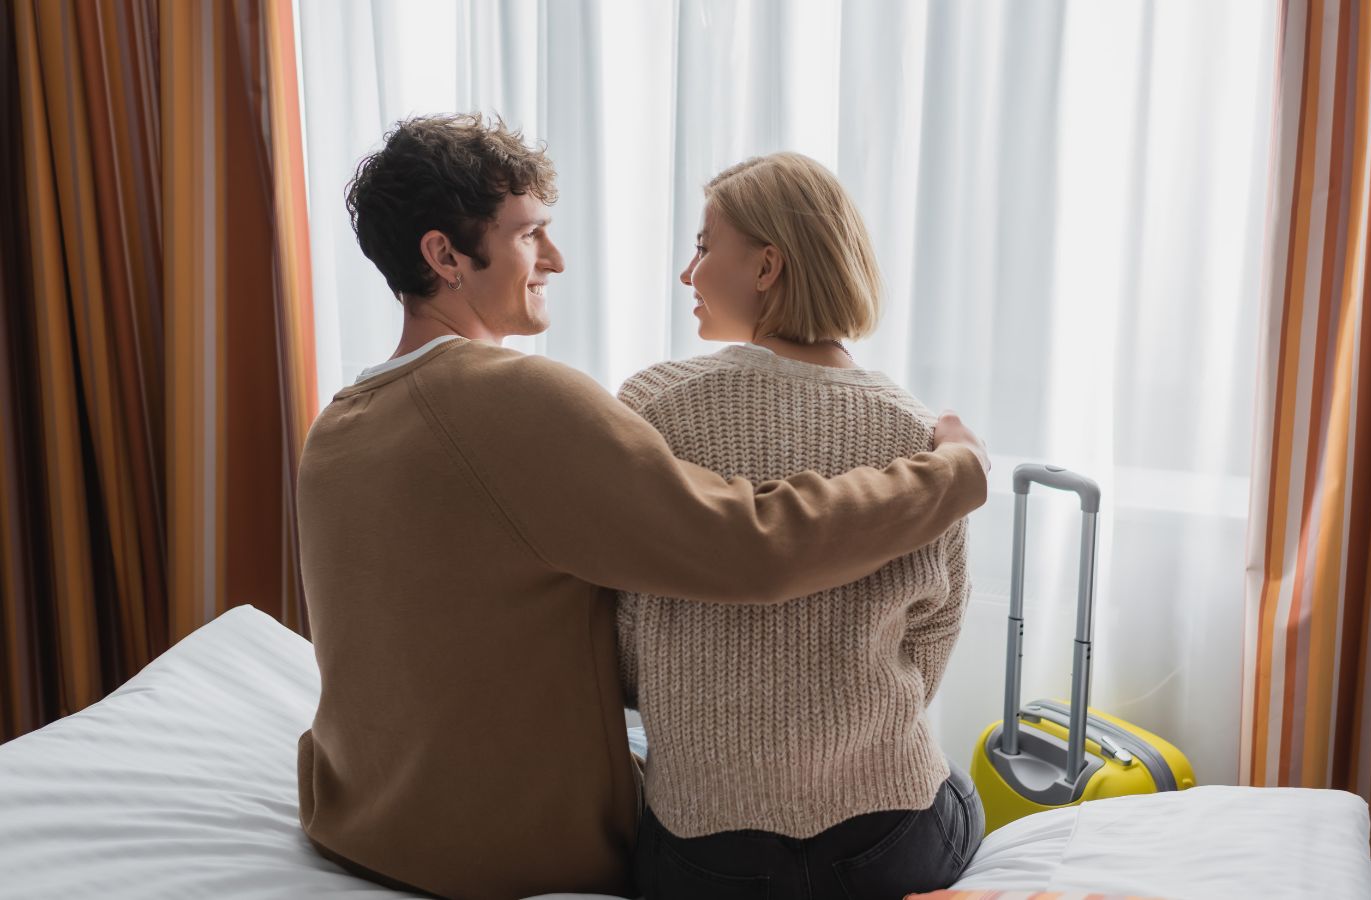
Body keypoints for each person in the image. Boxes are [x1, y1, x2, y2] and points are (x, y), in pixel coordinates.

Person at [295, 115, 990, 900]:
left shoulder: (337, 426)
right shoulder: (516, 397)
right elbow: (747, 545)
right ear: (444, 255)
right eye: (531, 237)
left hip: (359, 817)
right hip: (500, 847)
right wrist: (952, 474)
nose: (554, 258)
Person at [618, 152, 984, 900]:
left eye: (702, 245)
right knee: (957, 789)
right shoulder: (922, 433)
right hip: (891, 840)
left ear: (766, 266)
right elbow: (933, 636)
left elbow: (623, 622)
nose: (688, 273)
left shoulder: (652, 408)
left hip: (707, 849)